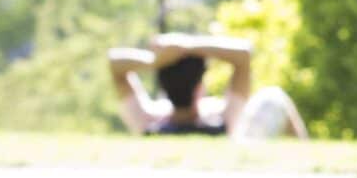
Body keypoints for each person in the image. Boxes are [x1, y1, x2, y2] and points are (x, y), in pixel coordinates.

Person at [107, 34, 307, 140]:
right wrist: (190, 46)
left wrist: (156, 60)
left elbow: (114, 64)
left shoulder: (147, 122)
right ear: (198, 89)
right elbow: (244, 55)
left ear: (163, 86)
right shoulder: (223, 120)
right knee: (275, 96)